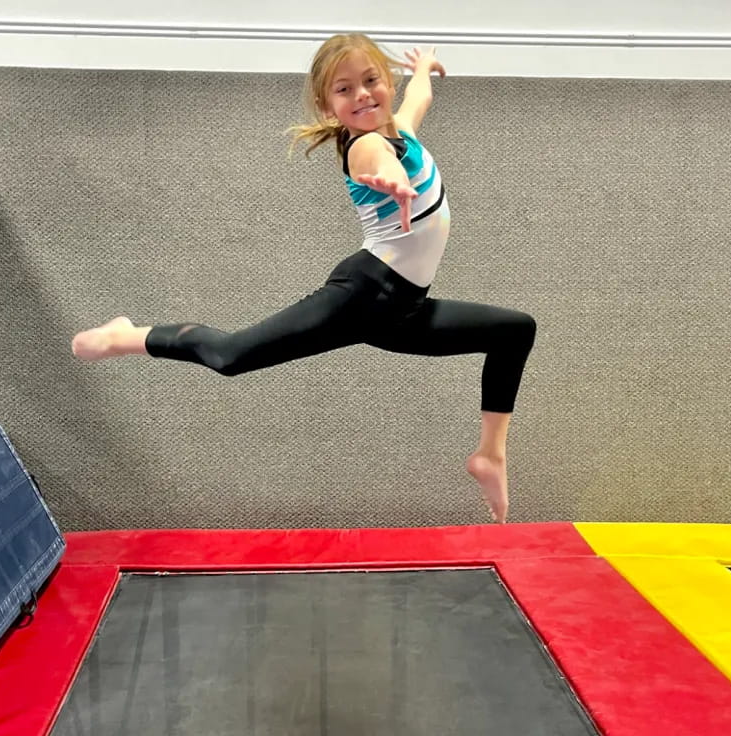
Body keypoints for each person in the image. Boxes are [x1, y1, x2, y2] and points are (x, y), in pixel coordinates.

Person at [72, 33, 536, 522]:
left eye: (371, 80)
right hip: (363, 295)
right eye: (345, 89)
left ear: (387, 84)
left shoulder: (402, 128)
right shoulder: (367, 145)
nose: (362, 94)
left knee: (515, 330)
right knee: (229, 356)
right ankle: (127, 336)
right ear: (327, 104)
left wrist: (422, 68)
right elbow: (373, 161)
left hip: (404, 310)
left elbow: (419, 97)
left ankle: (490, 454)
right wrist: (388, 177)